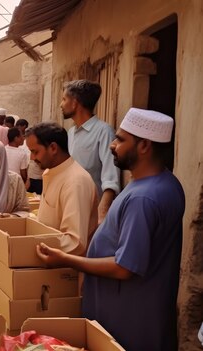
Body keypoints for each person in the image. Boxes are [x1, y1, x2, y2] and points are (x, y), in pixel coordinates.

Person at [36, 108, 183, 351]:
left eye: (120, 139)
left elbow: (125, 267)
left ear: (144, 146)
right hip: (134, 313)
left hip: (129, 321)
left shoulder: (144, 199)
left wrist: (66, 259)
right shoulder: (163, 182)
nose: (112, 145)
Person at [26, 122, 98, 255]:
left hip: (65, 269)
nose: (32, 158)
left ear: (53, 148)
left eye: (35, 152)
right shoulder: (51, 173)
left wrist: (30, 245)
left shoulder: (75, 182)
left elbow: (75, 242)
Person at [61, 80, 120, 223]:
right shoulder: (71, 133)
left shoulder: (103, 131)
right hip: (71, 208)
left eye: (64, 99)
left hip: (92, 215)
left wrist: (102, 212)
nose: (61, 104)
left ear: (75, 103)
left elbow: (110, 177)